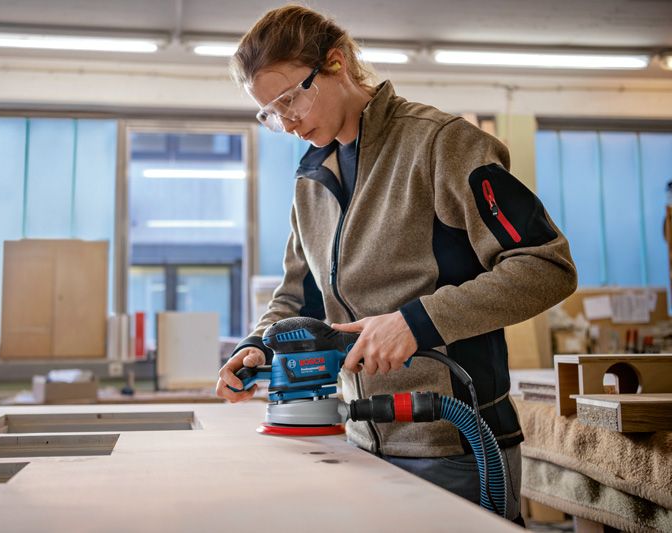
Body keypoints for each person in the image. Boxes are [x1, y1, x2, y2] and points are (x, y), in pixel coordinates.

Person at [215, 5, 577, 524]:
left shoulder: (439, 144)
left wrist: (416, 323)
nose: (287, 121)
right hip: (359, 440)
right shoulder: (310, 180)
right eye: (270, 112)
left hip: (457, 444)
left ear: (336, 64)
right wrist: (260, 343)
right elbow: (301, 296)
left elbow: (546, 265)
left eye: (290, 98)